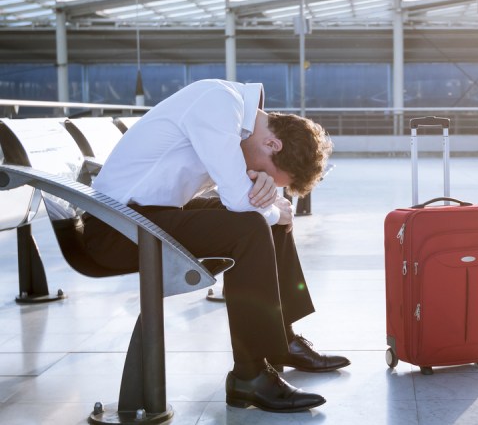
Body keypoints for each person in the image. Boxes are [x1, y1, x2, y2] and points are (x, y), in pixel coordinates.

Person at [82, 79, 349, 413]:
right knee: (252, 225)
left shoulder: (239, 119)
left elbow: (250, 200)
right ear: (272, 144)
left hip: (147, 216)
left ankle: (283, 340)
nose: (254, 173)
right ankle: (249, 376)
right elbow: (240, 200)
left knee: (266, 220)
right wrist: (272, 209)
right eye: (263, 171)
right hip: (114, 229)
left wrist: (275, 207)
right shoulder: (218, 104)